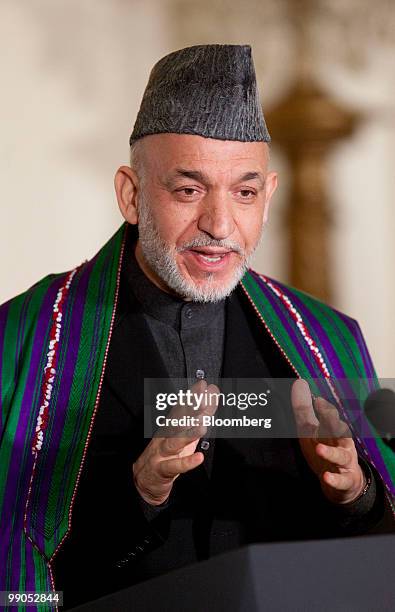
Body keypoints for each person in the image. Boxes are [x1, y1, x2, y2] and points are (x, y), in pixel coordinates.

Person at [0, 44, 394, 611]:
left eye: (245, 192)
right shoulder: (26, 341)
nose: (219, 224)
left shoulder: (327, 338)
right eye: (188, 190)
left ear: (270, 195)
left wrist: (355, 494)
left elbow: (372, 556)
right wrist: (140, 494)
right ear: (131, 196)